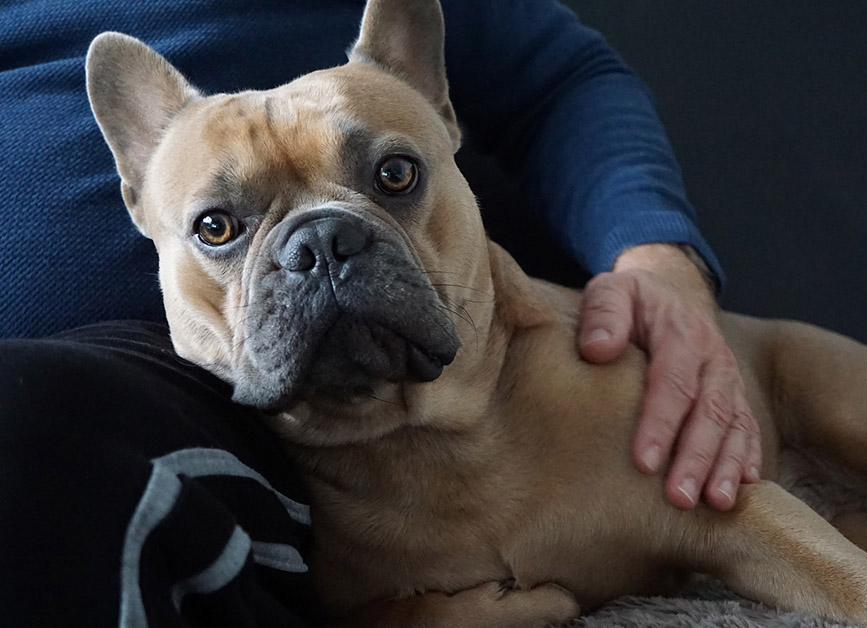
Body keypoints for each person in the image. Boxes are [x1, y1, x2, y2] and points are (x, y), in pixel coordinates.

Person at [0, 0, 760, 625]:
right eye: (220, 227)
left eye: (391, 176)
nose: (317, 256)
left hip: (181, 401)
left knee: (29, 418)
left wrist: (658, 256)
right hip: (189, 362)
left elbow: (560, 78)